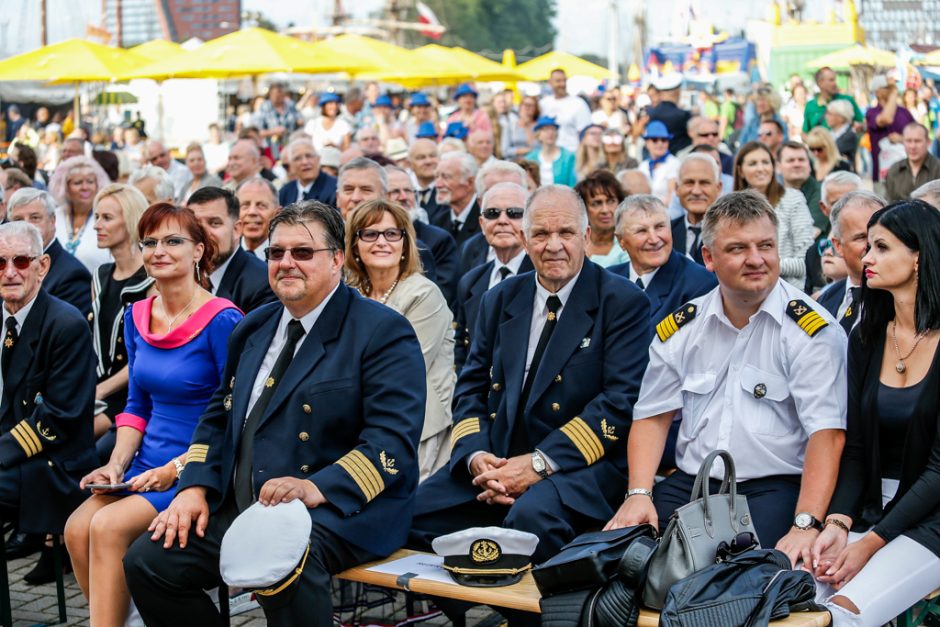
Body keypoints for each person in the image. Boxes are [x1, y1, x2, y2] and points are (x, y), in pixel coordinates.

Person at [123, 201, 425, 627]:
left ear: (337, 258)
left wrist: (314, 487)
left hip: (338, 508)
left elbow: (393, 441)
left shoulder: (381, 331)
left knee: (284, 561)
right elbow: (218, 415)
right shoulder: (254, 326)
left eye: (302, 253)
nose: (286, 263)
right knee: (148, 561)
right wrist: (194, 487)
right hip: (246, 501)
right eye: (276, 253)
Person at [410, 185, 651, 566]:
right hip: (498, 459)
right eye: (540, 234)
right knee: (415, 512)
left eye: (566, 233)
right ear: (524, 238)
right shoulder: (500, 298)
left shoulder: (621, 302)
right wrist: (477, 457)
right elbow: (470, 386)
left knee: (529, 521)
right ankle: (469, 606)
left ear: (586, 236)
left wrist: (539, 464)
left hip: (579, 467)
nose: (553, 245)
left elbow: (620, 402)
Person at [605, 190, 847, 565]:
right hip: (691, 484)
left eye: (765, 245)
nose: (756, 260)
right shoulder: (683, 327)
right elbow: (653, 415)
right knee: (625, 565)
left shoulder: (810, 331)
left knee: (726, 584)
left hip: (770, 489)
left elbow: (827, 435)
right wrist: (638, 492)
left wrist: (804, 523)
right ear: (708, 257)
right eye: (737, 249)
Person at [64, 203, 242, 626]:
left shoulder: (223, 319)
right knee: (75, 528)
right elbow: (137, 406)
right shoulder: (136, 315)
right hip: (142, 463)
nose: (159, 250)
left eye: (173, 241)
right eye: (150, 242)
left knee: (107, 528)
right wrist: (114, 465)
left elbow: (234, 417)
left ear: (198, 250)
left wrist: (177, 468)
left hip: (195, 467)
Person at [811, 201, 940, 626]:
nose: (866, 258)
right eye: (867, 247)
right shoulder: (866, 337)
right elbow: (856, 446)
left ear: (919, 253)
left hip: (931, 520)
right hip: (870, 510)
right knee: (794, 596)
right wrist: (837, 522)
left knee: (843, 614)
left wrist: (870, 544)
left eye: (881, 247)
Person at [0, 221, 97, 585]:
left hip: (51, 464)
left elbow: (58, 418)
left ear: (42, 267)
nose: (10, 273)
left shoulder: (64, 324)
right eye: (0, 263)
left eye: (21, 261)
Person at [344, 199, 455, 480]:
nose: (381, 242)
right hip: (357, 419)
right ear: (354, 244)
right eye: (369, 233)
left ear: (405, 243)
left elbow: (403, 371)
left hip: (416, 424)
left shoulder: (423, 294)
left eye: (392, 234)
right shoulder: (350, 291)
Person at [89, 184, 155, 460]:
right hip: (94, 389)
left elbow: (145, 356)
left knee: (82, 449)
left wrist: (101, 390)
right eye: (96, 216)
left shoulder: (151, 281)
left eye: (107, 218)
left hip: (130, 395)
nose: (96, 225)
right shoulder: (100, 275)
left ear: (130, 222)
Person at [454, 182, 533, 371]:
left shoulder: (545, 276)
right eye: (492, 213)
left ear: (530, 222)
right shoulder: (471, 280)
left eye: (514, 213)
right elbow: (461, 347)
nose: (502, 220)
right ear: (482, 224)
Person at [608, 194, 717, 322]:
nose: (654, 239)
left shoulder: (699, 283)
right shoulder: (608, 279)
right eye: (641, 231)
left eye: (660, 227)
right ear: (621, 240)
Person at [734, 141, 815, 288]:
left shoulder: (792, 199)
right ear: (740, 171)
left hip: (788, 290)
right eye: (753, 164)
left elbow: (807, 261)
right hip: (743, 291)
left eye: (765, 162)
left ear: (773, 166)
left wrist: (760, 265)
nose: (761, 169)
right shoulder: (731, 208)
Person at [188, 186, 276, 313]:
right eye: (196, 225)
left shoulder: (263, 284)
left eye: (214, 223)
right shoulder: (184, 275)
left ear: (236, 229)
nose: (203, 233)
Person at [6, 188, 91, 315]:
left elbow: (66, 329)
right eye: (18, 220)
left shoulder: (72, 275)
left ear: (52, 221)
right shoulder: (5, 267)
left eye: (35, 218)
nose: (26, 226)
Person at [385, 166, 458, 308]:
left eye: (408, 191)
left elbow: (442, 295)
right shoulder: (368, 240)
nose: (404, 197)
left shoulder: (439, 240)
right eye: (394, 192)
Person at [817, 192, 887, 330]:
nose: (871, 245)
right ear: (838, 246)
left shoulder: (902, 302)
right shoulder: (826, 299)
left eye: (879, 235)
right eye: (861, 237)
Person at [49, 155, 112, 273]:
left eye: (90, 181)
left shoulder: (108, 217)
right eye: (77, 183)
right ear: (65, 187)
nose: (85, 187)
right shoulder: (55, 216)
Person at [669, 153, 723, 265]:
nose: (696, 191)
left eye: (704, 183)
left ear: (718, 188)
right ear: (677, 188)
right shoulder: (666, 232)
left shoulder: (731, 232)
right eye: (689, 183)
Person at [866, 75, 915, 188]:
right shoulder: (872, 112)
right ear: (878, 92)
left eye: (892, 87)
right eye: (887, 87)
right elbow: (887, 119)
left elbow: (919, 136)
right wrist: (893, 94)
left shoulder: (904, 112)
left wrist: (903, 139)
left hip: (906, 175)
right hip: (883, 177)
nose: (892, 89)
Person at [574, 170, 629, 267]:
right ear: (583, 208)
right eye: (596, 203)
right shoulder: (575, 241)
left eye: (611, 201)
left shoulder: (628, 243)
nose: (605, 210)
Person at [430, 151, 482, 247]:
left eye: (446, 177)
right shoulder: (438, 221)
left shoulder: (486, 220)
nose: (438, 184)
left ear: (470, 182)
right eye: (436, 177)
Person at [538, 69, 592, 152]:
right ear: (550, 83)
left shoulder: (578, 103)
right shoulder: (543, 103)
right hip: (547, 155)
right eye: (558, 81)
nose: (562, 84)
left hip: (572, 154)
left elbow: (586, 133)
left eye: (564, 81)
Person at [885, 123, 940, 203]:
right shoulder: (894, 169)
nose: (912, 146)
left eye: (917, 141)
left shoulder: (938, 168)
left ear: (928, 142)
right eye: (908, 141)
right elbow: (888, 202)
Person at [802, 67, 864, 134]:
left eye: (835, 80)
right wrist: (813, 141)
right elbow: (804, 133)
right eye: (831, 80)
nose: (835, 83)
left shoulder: (847, 100)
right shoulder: (810, 105)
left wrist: (859, 127)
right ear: (820, 83)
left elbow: (861, 123)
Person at [278, 138, 338, 208]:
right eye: (298, 158)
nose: (305, 162)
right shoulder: (285, 192)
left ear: (318, 160)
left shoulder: (334, 188)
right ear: (291, 165)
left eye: (309, 156)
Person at [251, 82, 300, 160]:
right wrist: (273, 131)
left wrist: (299, 122)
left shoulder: (290, 105)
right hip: (272, 151)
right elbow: (256, 132)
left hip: (291, 150)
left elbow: (300, 120)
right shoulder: (264, 108)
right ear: (270, 94)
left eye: (281, 93)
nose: (279, 96)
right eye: (276, 94)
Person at [646, 73, 692, 154]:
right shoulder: (683, 115)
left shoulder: (650, 113)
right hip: (680, 157)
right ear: (677, 92)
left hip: (657, 157)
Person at [525, 117, 577, 188]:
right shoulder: (530, 158)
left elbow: (573, 184)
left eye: (553, 129)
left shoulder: (568, 157)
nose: (550, 133)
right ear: (538, 135)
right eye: (545, 129)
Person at [237, 176, 280, 261]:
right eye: (245, 205)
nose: (252, 212)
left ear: (277, 214)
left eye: (261, 205)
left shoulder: (286, 258)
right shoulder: (223, 256)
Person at [640, 121, 680, 206]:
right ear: (647, 143)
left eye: (664, 140)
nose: (660, 143)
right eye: (655, 140)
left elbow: (672, 196)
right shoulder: (643, 165)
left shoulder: (674, 163)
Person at [409, 139, 442, 217]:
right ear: (410, 164)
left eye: (432, 156)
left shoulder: (450, 188)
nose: (428, 161)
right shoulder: (404, 191)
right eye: (421, 157)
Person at [825, 99, 859, 165]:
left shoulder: (850, 135)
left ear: (841, 118)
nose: (826, 117)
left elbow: (829, 153)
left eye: (830, 114)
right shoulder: (830, 133)